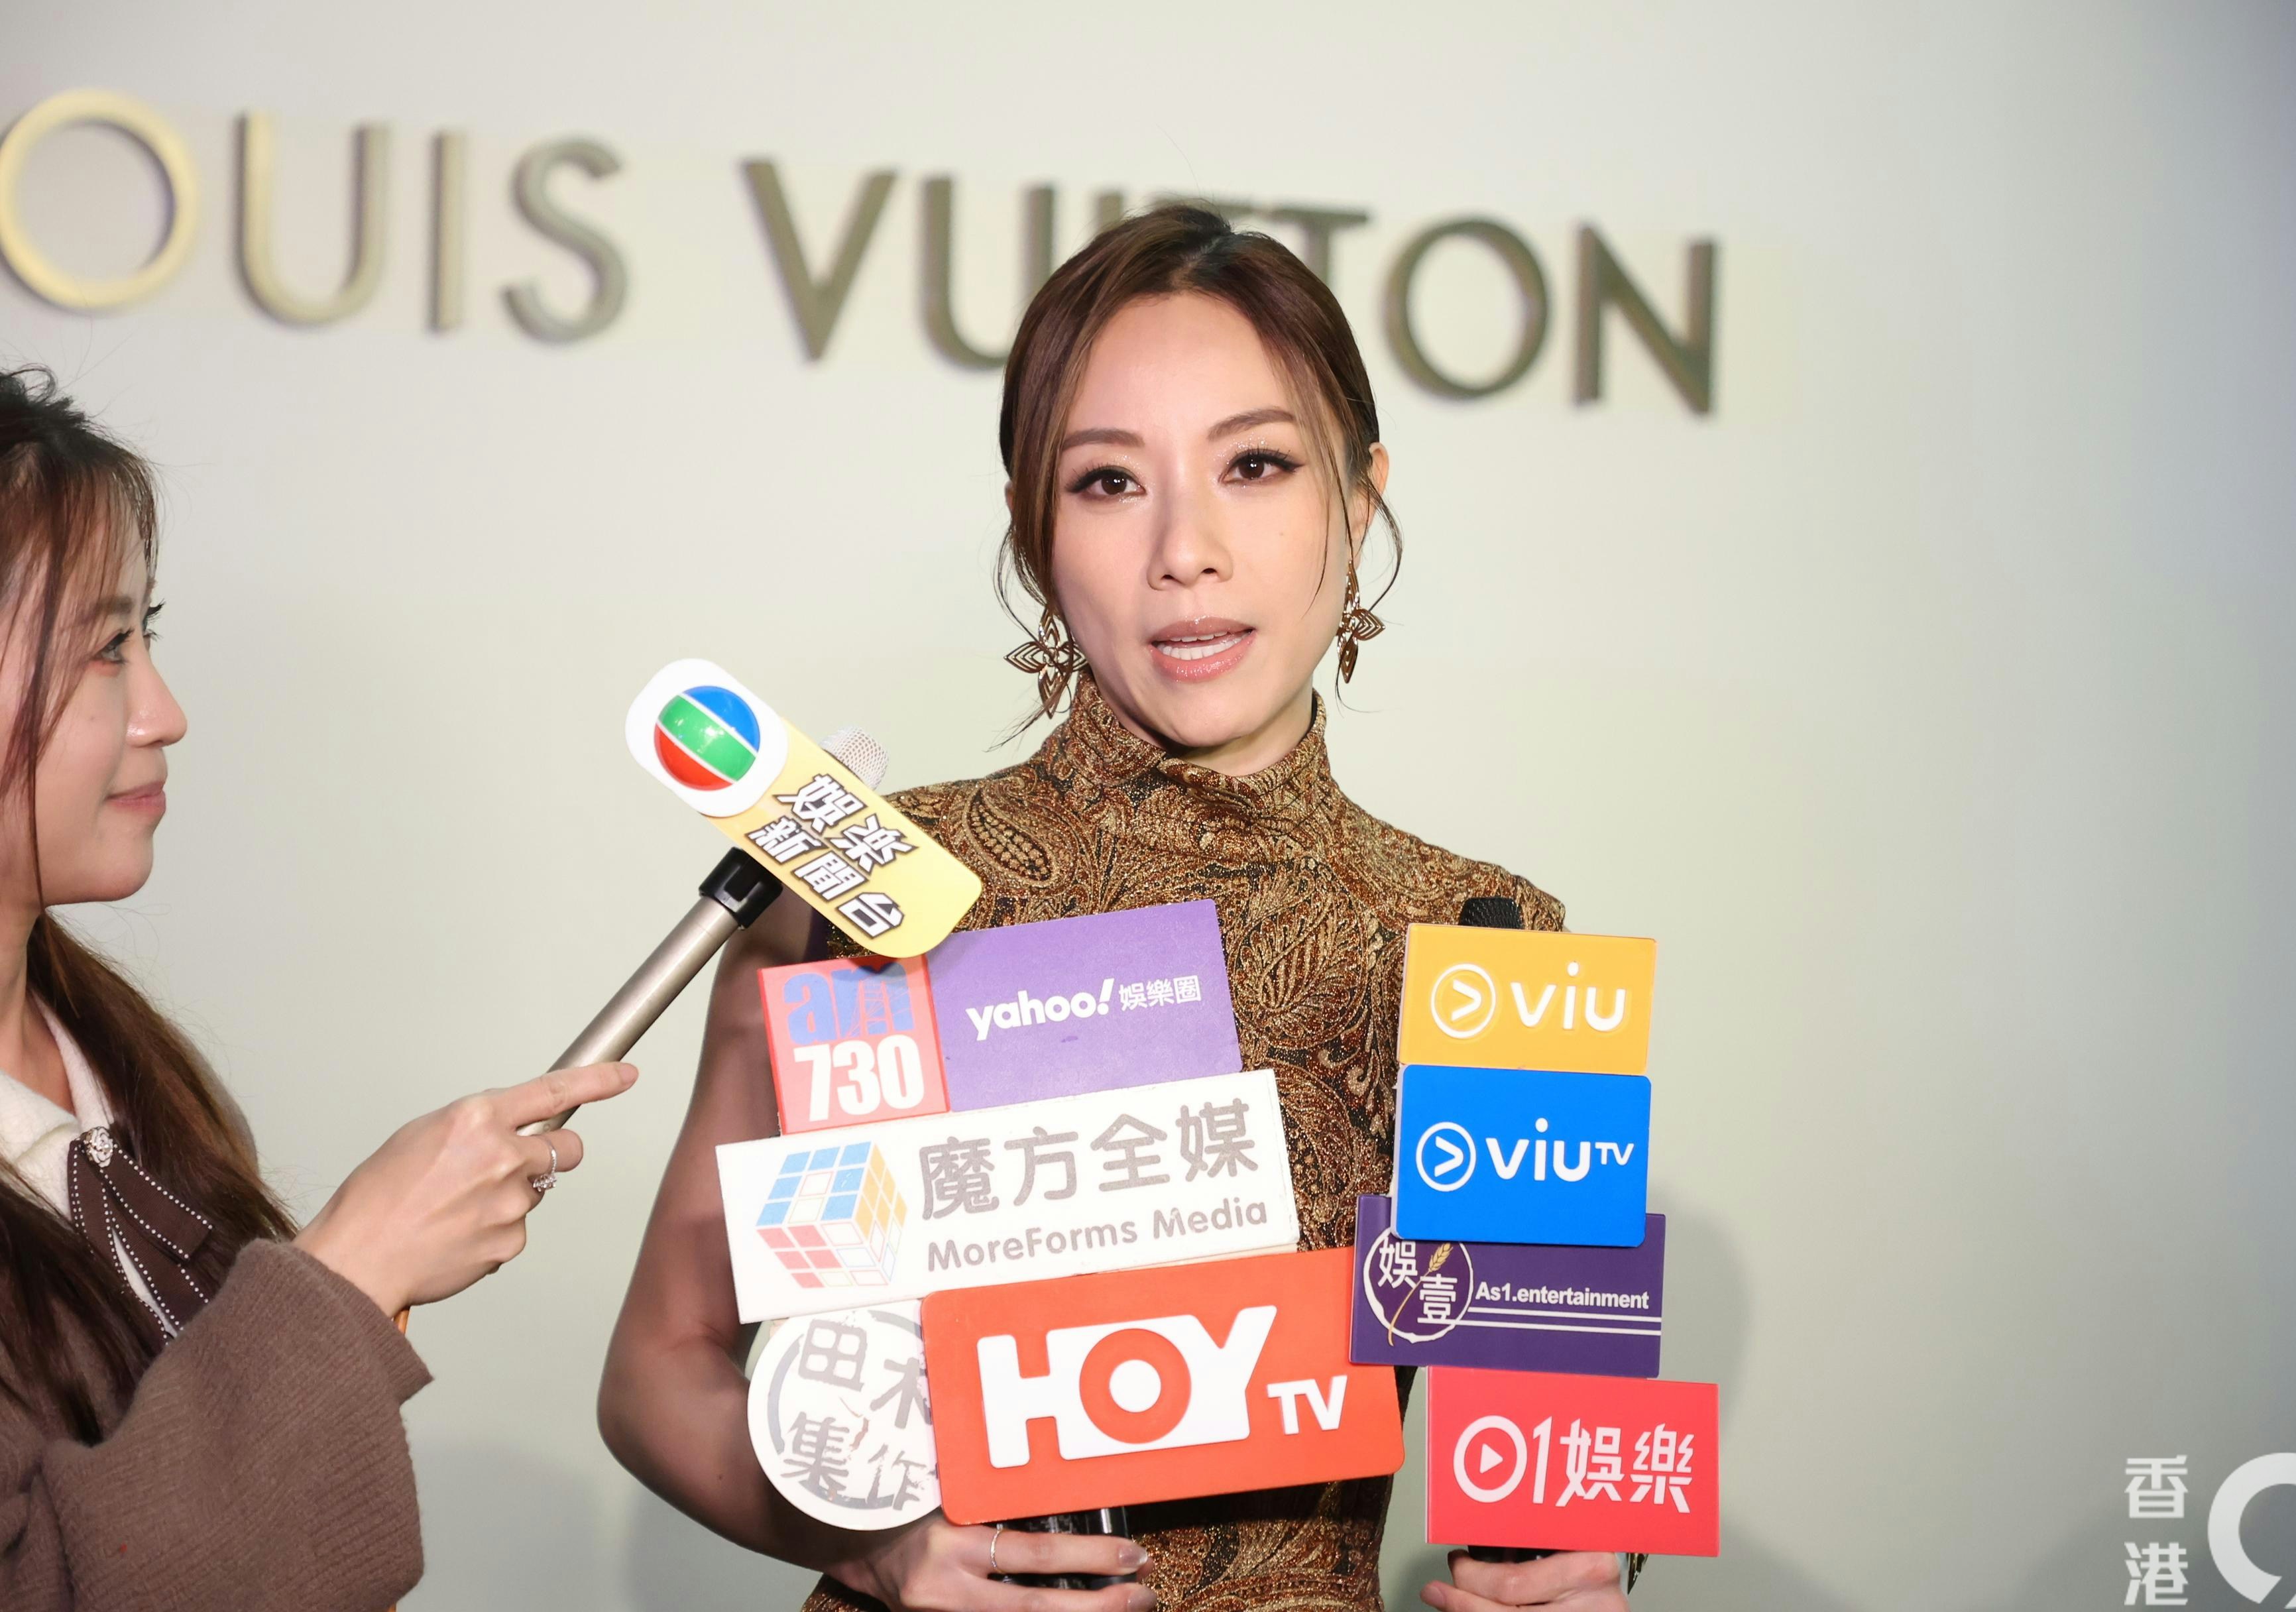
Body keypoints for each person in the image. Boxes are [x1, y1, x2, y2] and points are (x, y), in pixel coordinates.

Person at [599, 205, 1635, 1612]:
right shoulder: (867, 886)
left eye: (1256, 464)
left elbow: (1551, 1443)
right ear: (1035, 528)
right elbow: (658, 1369)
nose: (1185, 549)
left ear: (1360, 499)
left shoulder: (1483, 941)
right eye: (1107, 482)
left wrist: (1579, 1561)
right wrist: (873, 1542)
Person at [0, 366, 640, 1611]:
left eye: (148, 635)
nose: (165, 713)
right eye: (105, 649)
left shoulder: (124, 1062)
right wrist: (348, 1272)